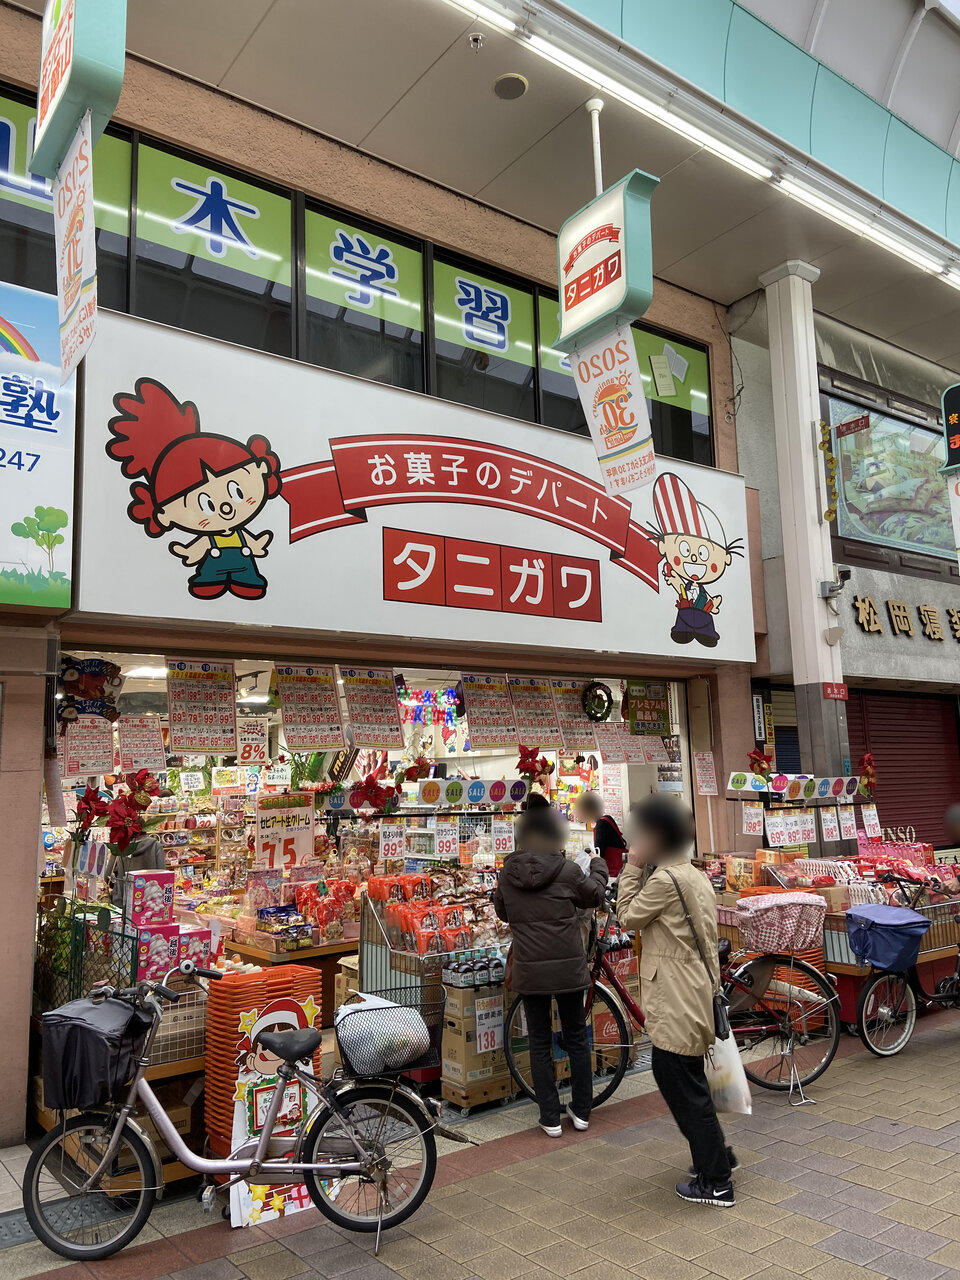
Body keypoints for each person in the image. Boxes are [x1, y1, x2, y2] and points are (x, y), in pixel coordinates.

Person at [617, 796, 735, 1207]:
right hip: (691, 992)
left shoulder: (666, 881)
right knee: (690, 1084)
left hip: (678, 998)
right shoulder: (691, 874)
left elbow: (627, 915)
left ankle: (717, 1180)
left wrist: (632, 865)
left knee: (680, 1084)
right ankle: (718, 1157)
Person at [493, 803, 608, 1137]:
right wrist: (598, 864)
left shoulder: (507, 874)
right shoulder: (568, 870)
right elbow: (594, 896)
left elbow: (502, 912)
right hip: (569, 967)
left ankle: (550, 1117)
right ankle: (582, 1111)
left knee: (539, 1042)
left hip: (530, 970)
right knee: (576, 1037)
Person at [574, 790, 628, 878]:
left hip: (611, 872)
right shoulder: (607, 819)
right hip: (619, 868)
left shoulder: (601, 824)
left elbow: (599, 853)